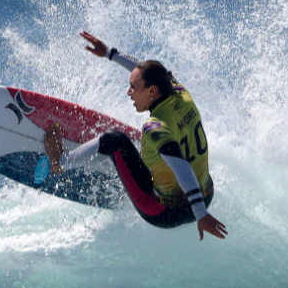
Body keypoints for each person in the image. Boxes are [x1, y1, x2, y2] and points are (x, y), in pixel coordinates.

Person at [44, 31, 227, 241]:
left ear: (152, 91)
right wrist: (109, 53)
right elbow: (148, 71)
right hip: (206, 196)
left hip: (164, 213)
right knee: (161, 147)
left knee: (114, 139)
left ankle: (60, 162)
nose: (128, 92)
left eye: (133, 87)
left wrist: (201, 215)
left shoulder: (155, 127)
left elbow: (181, 166)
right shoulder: (180, 92)